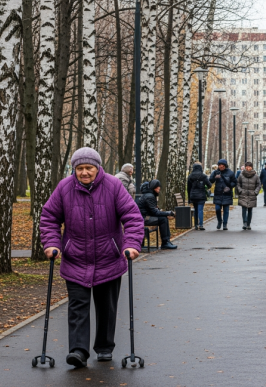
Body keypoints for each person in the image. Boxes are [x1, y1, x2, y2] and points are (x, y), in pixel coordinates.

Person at [40, 147, 144, 368]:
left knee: (107, 306)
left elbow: (133, 217)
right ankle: (78, 350)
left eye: (89, 168)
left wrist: (132, 244)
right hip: (76, 258)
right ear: (74, 169)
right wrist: (51, 243)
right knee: (78, 306)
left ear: (98, 168)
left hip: (109, 257)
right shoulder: (64, 188)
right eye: (80, 168)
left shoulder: (113, 186)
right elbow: (49, 217)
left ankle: (105, 347)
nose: (84, 172)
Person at [136, 179, 178, 250]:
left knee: (163, 218)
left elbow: (152, 210)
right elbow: (154, 212)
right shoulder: (150, 196)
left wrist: (163, 212)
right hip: (143, 218)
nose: (159, 188)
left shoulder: (149, 195)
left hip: (144, 216)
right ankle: (165, 242)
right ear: (154, 187)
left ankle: (167, 241)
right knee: (163, 219)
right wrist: (168, 213)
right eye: (158, 187)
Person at [209, 159, 236, 230]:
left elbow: (234, 182)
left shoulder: (230, 173)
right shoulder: (215, 172)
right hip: (218, 193)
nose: (221, 166)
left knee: (226, 210)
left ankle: (225, 224)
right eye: (220, 165)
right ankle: (219, 221)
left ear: (225, 166)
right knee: (217, 209)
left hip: (227, 194)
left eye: (222, 165)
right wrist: (215, 178)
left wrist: (229, 187)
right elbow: (210, 180)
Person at [236, 162, 261, 230]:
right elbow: (238, 184)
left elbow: (258, 185)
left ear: (252, 167)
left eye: (249, 166)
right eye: (247, 166)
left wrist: (255, 192)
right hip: (243, 194)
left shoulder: (256, 176)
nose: (248, 168)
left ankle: (248, 224)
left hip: (252, 195)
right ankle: (244, 222)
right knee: (244, 209)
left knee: (250, 210)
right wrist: (240, 191)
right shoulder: (241, 175)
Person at [187, 162, 211, 230]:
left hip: (193, 195)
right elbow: (209, 185)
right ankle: (201, 225)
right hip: (201, 195)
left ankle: (196, 225)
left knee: (195, 209)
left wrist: (189, 197)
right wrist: (205, 186)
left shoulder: (190, 176)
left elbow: (188, 188)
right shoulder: (203, 176)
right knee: (200, 210)